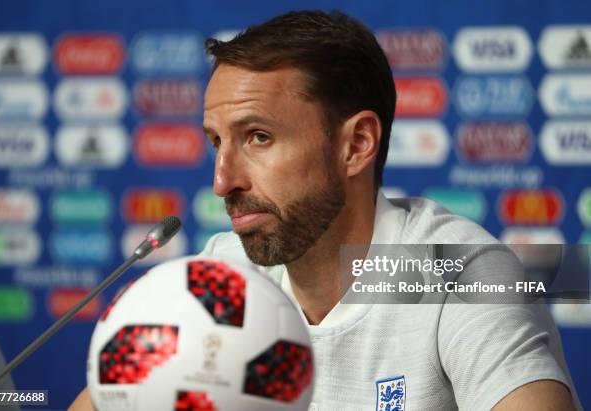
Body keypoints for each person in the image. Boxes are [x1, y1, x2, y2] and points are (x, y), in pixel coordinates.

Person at [72, 10, 580, 410]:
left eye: (259, 137)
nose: (222, 181)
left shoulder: (458, 275)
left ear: (357, 144)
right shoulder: (223, 274)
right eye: (216, 142)